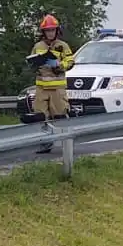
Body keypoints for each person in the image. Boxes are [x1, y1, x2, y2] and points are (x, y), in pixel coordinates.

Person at [29, 14, 74, 151]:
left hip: (57, 88)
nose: (50, 33)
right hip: (41, 88)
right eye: (48, 31)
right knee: (40, 116)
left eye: (52, 30)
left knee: (60, 115)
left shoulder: (63, 46)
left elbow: (70, 61)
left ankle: (67, 143)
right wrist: (34, 64)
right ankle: (45, 142)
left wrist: (59, 65)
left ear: (57, 31)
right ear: (43, 32)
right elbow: (32, 61)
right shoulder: (38, 46)